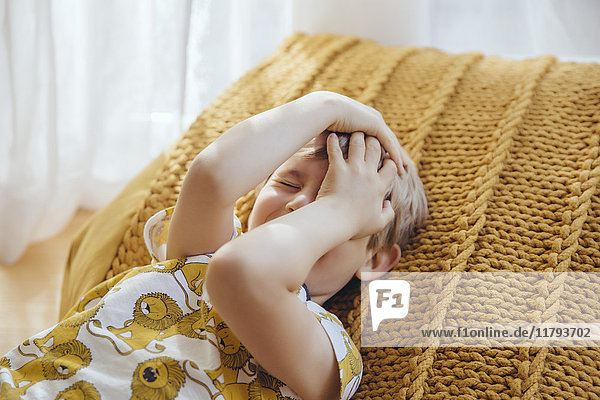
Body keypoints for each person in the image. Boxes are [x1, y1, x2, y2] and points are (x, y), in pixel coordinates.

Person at [0, 91, 428, 400]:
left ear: (376, 261)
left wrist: (341, 209)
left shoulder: (329, 349)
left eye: (329, 206)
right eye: (287, 183)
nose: (300, 204)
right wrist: (328, 106)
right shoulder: (205, 254)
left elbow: (246, 275)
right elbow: (210, 175)